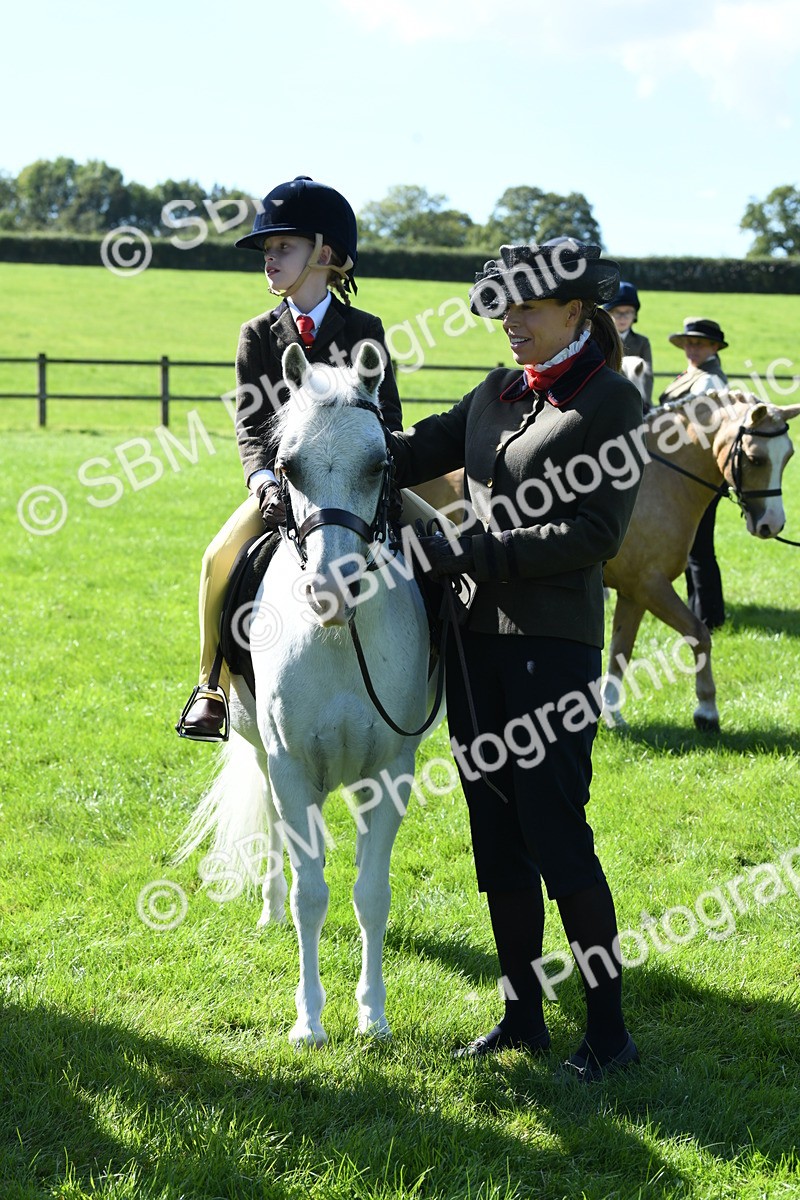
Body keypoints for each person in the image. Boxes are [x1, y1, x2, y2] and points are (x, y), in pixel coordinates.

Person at [389, 239, 644, 1081]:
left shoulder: (610, 402)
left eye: (528, 308)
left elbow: (595, 535)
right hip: (474, 650)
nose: (512, 322)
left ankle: (608, 1034)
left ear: (576, 313)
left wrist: (472, 550)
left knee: (556, 836)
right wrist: (334, 422)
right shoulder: (493, 393)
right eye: (504, 307)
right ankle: (522, 1017)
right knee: (496, 839)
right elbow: (412, 450)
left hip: (551, 650)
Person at [177, 176, 405, 741]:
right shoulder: (257, 335)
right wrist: (261, 480)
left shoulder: (364, 330)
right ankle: (212, 685)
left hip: (360, 485)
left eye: (283, 248)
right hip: (288, 486)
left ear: (324, 256)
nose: (270, 260)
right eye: (267, 251)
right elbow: (251, 425)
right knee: (216, 558)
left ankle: (452, 664)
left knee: (440, 541)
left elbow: (390, 419)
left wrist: (381, 474)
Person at [659, 317, 729, 630]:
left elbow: (696, 431)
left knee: (699, 549)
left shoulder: (709, 382)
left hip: (697, 476)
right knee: (693, 549)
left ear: (714, 347)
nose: (692, 348)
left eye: (699, 343)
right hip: (684, 473)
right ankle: (700, 610)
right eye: (689, 342)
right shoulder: (696, 374)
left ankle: (709, 618)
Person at [603, 281, 653, 410]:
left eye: (628, 312)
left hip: (636, 400)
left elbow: (647, 376)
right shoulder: (600, 340)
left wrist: (644, 400)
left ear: (635, 314)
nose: (623, 317)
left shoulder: (642, 342)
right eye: (617, 312)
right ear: (608, 314)